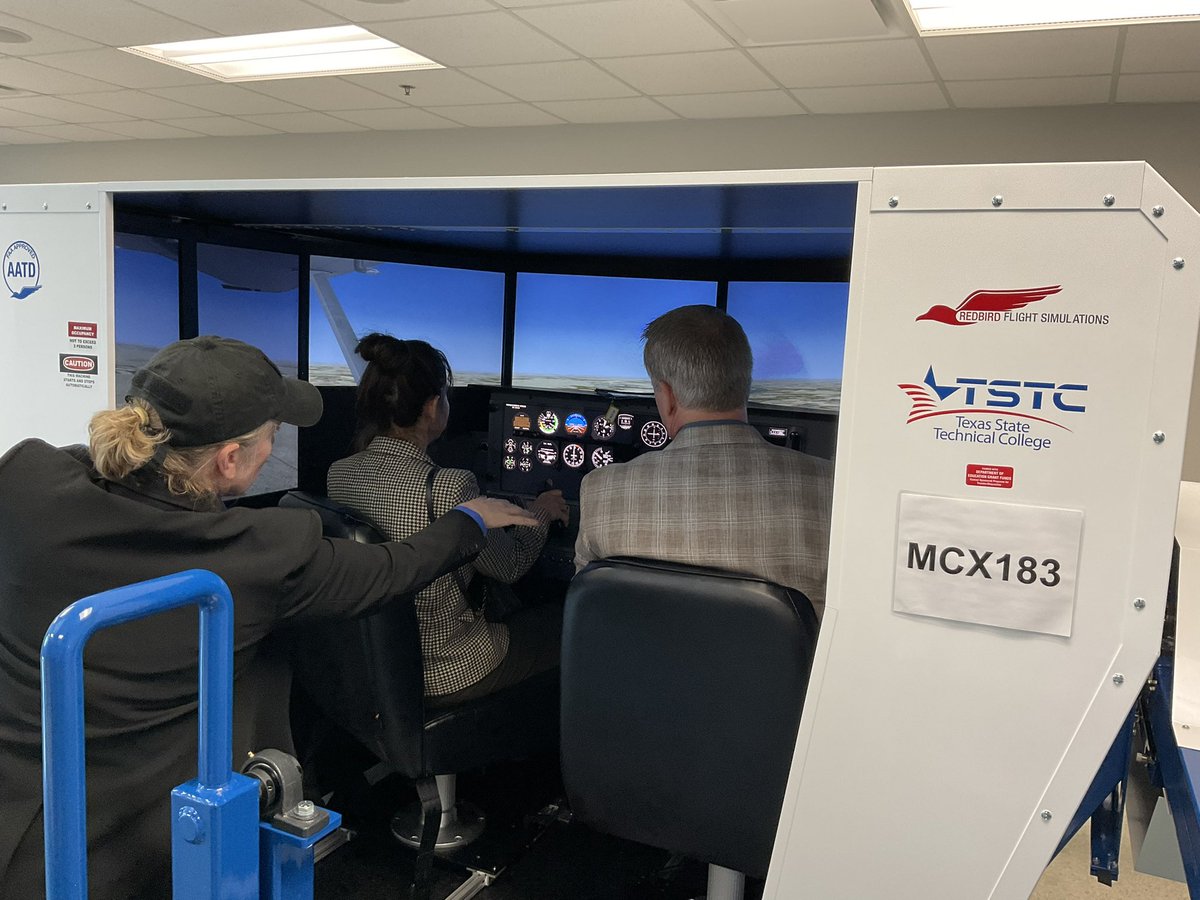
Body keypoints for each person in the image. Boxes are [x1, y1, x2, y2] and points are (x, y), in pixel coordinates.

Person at [0, 335, 535, 900]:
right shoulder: (252, 556)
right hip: (135, 853)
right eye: (272, 436)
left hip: (17, 820)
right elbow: (392, 570)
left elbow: (87, 467)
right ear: (231, 460)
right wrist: (470, 520)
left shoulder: (25, 479)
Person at [328, 333, 568, 705]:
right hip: (448, 668)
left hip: (374, 663)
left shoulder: (339, 474)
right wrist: (544, 511)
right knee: (568, 622)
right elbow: (511, 566)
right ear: (431, 407)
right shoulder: (448, 487)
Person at [574, 305, 834, 616]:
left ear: (668, 397)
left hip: (639, 664)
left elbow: (586, 606)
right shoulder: (830, 489)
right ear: (745, 383)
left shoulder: (600, 489)